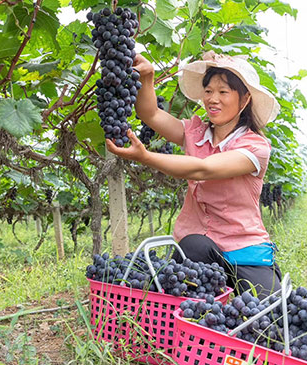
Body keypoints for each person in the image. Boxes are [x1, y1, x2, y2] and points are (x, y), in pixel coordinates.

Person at [106, 51, 282, 298]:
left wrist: (145, 157)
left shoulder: (255, 147)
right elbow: (151, 115)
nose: (213, 99)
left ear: (244, 100)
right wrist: (148, 79)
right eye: (208, 91)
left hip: (244, 247)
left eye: (223, 92)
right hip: (199, 245)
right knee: (192, 246)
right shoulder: (195, 132)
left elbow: (205, 169)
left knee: (270, 315)